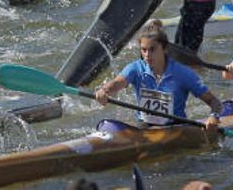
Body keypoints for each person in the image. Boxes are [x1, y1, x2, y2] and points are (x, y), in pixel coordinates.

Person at [94, 22, 222, 130]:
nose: (147, 55)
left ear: (165, 48)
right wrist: (105, 90)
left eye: (152, 49)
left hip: (175, 128)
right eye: (144, 50)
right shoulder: (136, 68)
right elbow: (117, 82)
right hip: (145, 127)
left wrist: (214, 116)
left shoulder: (183, 73)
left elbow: (214, 102)